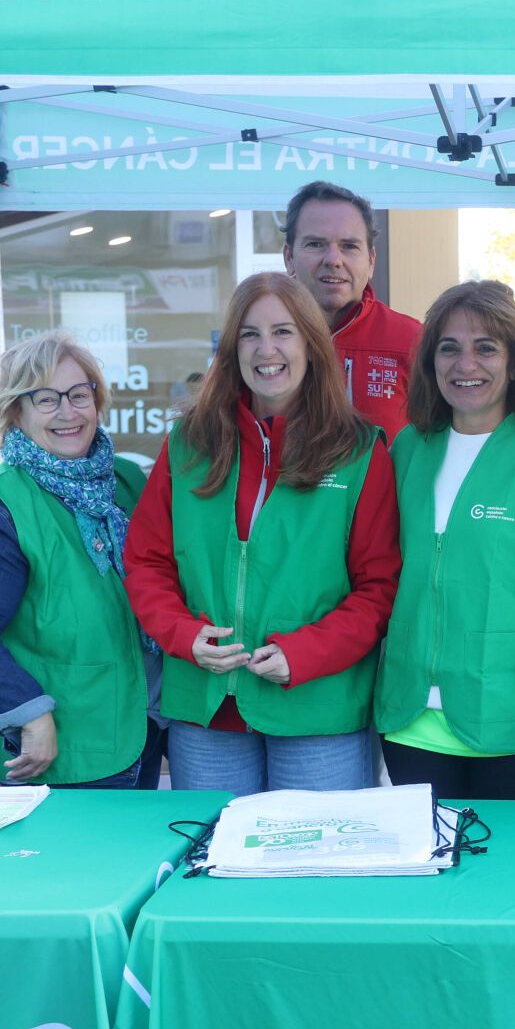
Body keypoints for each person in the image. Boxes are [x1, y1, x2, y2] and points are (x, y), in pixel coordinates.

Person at [125, 272, 399, 797]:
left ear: (312, 345)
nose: (266, 349)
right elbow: (147, 561)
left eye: (283, 332)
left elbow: (380, 588)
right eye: (250, 334)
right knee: (213, 869)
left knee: (315, 874)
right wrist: (184, 636)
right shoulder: (189, 443)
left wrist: (307, 652)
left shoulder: (361, 450)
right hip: (207, 709)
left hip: (318, 709)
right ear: (231, 349)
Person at [374, 280, 515, 803]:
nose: (465, 364)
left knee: (508, 883)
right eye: (448, 348)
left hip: (512, 728)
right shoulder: (409, 448)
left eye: (486, 348)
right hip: (409, 725)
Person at [0, 332, 160, 788]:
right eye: (46, 399)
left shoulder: (124, 481)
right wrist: (29, 713)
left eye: (79, 394)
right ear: (16, 411)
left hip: (136, 724)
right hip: (61, 752)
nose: (69, 412)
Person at [282, 180, 422, 435]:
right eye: (315, 244)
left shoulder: (413, 342)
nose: (334, 260)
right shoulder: (259, 343)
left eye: (349, 246)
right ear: (289, 257)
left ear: (370, 261)